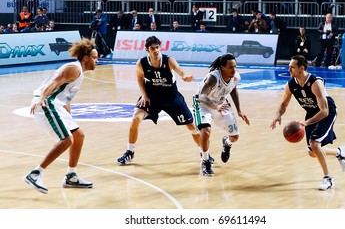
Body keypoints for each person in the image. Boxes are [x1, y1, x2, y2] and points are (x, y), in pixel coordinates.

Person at [23, 38, 98, 194]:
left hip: (56, 104)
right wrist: (42, 98)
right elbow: (54, 83)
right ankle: (35, 174)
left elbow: (64, 97)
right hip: (46, 103)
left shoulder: (79, 72)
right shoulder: (74, 69)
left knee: (78, 136)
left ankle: (71, 176)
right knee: (67, 140)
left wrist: (68, 117)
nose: (97, 60)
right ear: (86, 59)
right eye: (95, 58)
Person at [116, 36, 203, 165]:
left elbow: (180, 70)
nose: (156, 50)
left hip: (171, 97)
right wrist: (144, 95)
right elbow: (140, 78)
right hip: (152, 97)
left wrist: (185, 76)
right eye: (153, 48)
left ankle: (205, 153)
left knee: (191, 126)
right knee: (135, 118)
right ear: (147, 50)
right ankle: (130, 152)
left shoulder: (168, 60)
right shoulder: (142, 63)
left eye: (157, 47)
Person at [270, 55, 345, 190]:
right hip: (312, 113)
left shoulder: (315, 83)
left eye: (292, 67)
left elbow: (324, 111)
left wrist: (305, 123)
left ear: (301, 68)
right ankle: (339, 152)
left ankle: (328, 179)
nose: (289, 69)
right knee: (312, 152)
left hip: (327, 112)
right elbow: (284, 104)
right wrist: (278, 115)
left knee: (314, 144)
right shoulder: (291, 85)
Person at [193, 54, 250, 176]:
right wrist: (215, 107)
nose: (234, 70)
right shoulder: (214, 78)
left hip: (220, 103)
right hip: (203, 104)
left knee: (234, 137)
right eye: (230, 67)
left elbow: (233, 90)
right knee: (206, 131)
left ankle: (226, 143)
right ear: (222, 67)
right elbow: (201, 96)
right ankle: (206, 160)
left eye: (235, 66)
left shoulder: (235, 77)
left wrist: (239, 110)